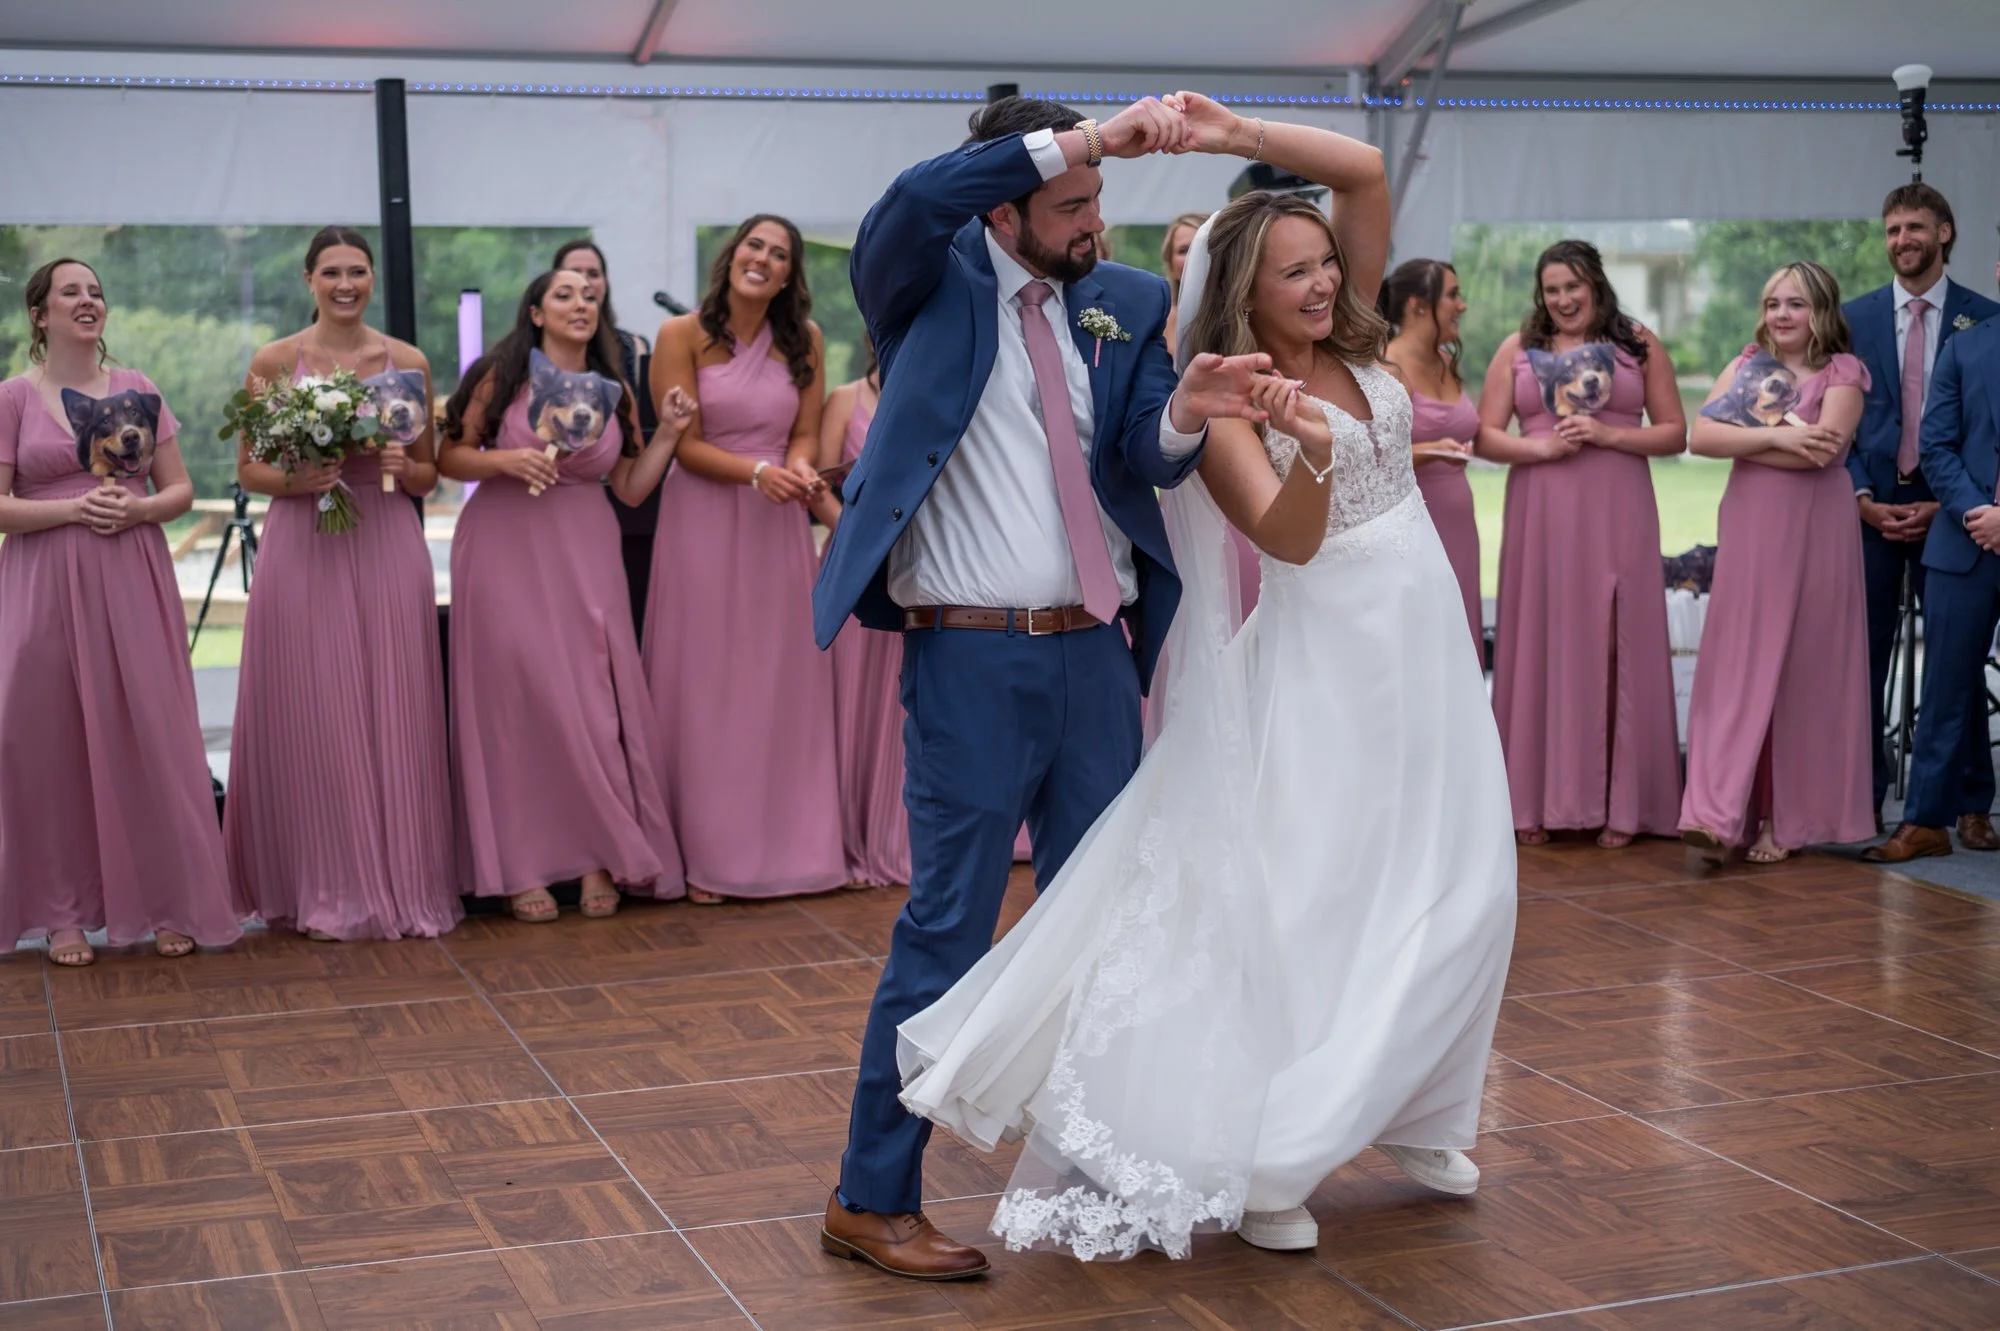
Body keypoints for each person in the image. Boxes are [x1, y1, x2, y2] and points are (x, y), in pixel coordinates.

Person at [894, 92, 1516, 1265]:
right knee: (1323, 899)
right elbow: (1284, 541)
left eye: (1325, 262)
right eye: (1294, 272)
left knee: (1465, 880)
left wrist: (1237, 137)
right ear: (1245, 290)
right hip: (1325, 665)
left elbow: (1364, 170)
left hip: (1428, 648)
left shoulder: (1355, 341)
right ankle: (1277, 1154)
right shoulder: (1227, 389)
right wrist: (1315, 455)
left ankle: (1419, 1106)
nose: (1321, 283)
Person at [812, 90, 1318, 1279]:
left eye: (1100, 198)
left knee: (1110, 922)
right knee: (948, 923)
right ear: (1004, 204)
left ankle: (1104, 1168)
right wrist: (1092, 136)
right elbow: (914, 197)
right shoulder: (921, 278)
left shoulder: (1126, 300)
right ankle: (869, 1194)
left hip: (1096, 652)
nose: (1096, 220)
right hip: (968, 657)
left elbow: (1142, 452)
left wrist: (1185, 412)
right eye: (1071, 201)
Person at [0, 259, 242, 963]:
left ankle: (168, 900)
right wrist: (73, 508)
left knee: (150, 736)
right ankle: (61, 912)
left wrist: (137, 509)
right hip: (42, 585)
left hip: (132, 575)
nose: (88, 300)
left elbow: (180, 490)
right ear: (40, 314)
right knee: (44, 741)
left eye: (96, 292)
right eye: (71, 292)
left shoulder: (139, 388)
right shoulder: (12, 398)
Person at [225, 227, 459, 941]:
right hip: (304, 542)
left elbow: (428, 474)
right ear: (309, 280)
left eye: (357, 271)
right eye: (332, 272)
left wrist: (402, 464)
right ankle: (320, 883)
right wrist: (301, 478)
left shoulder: (409, 362)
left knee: (393, 704)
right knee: (315, 708)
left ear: (372, 278)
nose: (346, 284)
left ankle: (399, 879)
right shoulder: (275, 361)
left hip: (386, 539)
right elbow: (249, 469)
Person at [439, 267, 690, 920]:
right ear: (536, 311)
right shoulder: (499, 377)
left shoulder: (613, 389)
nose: (581, 303)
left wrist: (668, 432)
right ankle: (519, 863)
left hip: (585, 548)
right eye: (564, 295)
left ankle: (594, 853)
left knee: (589, 703)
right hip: (503, 545)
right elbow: (450, 456)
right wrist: (503, 461)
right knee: (516, 702)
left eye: (590, 295)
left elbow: (630, 487)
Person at [644, 214, 846, 903]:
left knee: (776, 681)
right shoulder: (680, 336)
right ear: (732, 257)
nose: (763, 258)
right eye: (754, 245)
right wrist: (757, 473)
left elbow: (806, 433)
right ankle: (708, 854)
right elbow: (685, 443)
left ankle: (791, 846)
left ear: (790, 275)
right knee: (707, 684)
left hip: (775, 525)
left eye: (778, 253)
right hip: (703, 518)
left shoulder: (806, 339)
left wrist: (798, 467)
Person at [1478, 239, 1687, 848]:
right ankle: (1532, 800)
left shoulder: (1638, 345)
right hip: (1541, 509)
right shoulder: (1518, 349)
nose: (1564, 299)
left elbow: (1675, 433)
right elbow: (1485, 436)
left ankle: (1625, 806)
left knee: (1620, 639)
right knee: (1540, 638)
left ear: (1596, 284)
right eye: (1552, 289)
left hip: (1619, 506)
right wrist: (1542, 447)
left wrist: (1608, 434)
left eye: (1573, 286)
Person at [1680, 262, 1874, 863]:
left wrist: (1751, 439)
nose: (1781, 315)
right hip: (1752, 524)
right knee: (1738, 661)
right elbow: (1701, 437)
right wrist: (1779, 437)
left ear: (1821, 311)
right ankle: (1717, 816)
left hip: (1818, 529)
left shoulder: (1843, 373)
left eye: (1795, 304)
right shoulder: (1747, 365)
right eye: (1772, 304)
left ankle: (1784, 822)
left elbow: (1823, 453)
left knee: (1804, 667)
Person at [1842, 184, 2000, 858]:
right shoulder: (1852, 318)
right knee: (1866, 658)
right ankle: (1863, 800)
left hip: (1956, 515)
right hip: (1874, 510)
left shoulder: (1981, 318)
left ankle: (1971, 804)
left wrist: (1953, 505)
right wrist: (1860, 496)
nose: (1902, 239)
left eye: (1914, 227)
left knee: (1954, 666)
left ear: (1945, 232)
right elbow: (1836, 419)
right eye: (1892, 229)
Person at [1871, 294, 2000, 861]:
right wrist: (1977, 512)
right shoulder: (1964, 347)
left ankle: (1973, 809)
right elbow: (1936, 445)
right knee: (1944, 688)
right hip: (1965, 543)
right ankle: (1924, 822)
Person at [813, 345, 908, 888]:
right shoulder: (845, 399)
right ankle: (853, 838)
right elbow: (819, 488)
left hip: (920, 567)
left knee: (907, 704)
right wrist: (866, 541)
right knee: (856, 700)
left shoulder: (936, 394)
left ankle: (905, 836)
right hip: (857, 566)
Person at [553, 239, 664, 633]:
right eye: (574, 274)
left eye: (593, 275)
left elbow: (638, 426)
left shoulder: (633, 346)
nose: (585, 283)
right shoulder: (530, 358)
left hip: (618, 495)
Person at [1381, 257, 1482, 654]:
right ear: (1417, 306)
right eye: (1453, 295)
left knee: (1459, 637)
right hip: (1414, 526)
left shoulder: (1447, 361)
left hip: (1460, 526)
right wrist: (1428, 451)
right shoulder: (1387, 367)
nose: (1463, 305)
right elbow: (1369, 455)